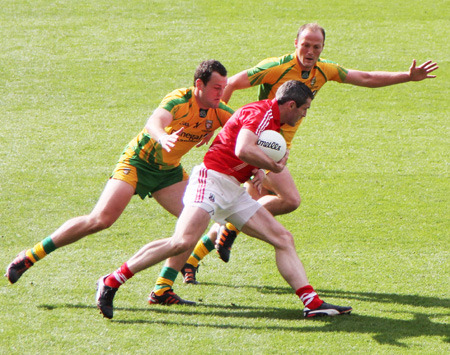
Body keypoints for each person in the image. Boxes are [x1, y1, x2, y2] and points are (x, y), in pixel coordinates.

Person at [179, 22, 439, 283]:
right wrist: (221, 125)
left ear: (323, 48)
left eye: (317, 46)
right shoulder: (276, 67)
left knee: (241, 205)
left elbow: (366, 78)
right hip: (260, 148)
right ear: (295, 44)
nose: (310, 51)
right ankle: (229, 231)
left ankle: (191, 261)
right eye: (305, 45)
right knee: (289, 199)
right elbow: (232, 84)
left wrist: (407, 76)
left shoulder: (324, 70)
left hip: (280, 149)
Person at [95, 80, 353, 319]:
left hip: (232, 189)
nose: (304, 114)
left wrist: (255, 169)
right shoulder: (262, 114)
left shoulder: (270, 118)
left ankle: (312, 304)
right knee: (182, 241)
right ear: (291, 105)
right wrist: (271, 168)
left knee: (283, 238)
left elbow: (240, 149)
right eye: (304, 108)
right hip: (210, 181)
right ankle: (112, 280)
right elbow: (243, 148)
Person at [5, 60, 234, 286]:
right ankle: (29, 257)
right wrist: (163, 136)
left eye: (224, 88)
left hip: (169, 174)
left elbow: (244, 128)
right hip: (137, 163)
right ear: (199, 85)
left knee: (193, 227)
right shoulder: (179, 100)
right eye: (216, 87)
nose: (221, 93)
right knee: (100, 220)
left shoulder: (218, 111)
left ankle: (163, 289)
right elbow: (155, 121)